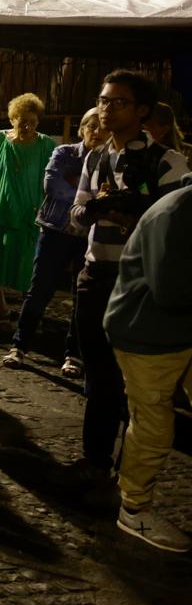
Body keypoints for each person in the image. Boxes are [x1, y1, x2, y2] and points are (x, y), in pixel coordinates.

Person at [69, 71, 189, 475]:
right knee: (98, 377)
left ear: (142, 111)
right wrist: (94, 210)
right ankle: (95, 461)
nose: (106, 109)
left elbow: (176, 235)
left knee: (138, 386)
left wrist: (135, 214)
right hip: (94, 275)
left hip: (138, 286)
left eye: (118, 102)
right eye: (103, 101)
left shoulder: (169, 164)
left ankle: (131, 470)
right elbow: (76, 214)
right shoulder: (94, 157)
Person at [106, 185, 192, 552]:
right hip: (148, 335)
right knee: (154, 428)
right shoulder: (174, 214)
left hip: (182, 329)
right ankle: (134, 509)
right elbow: (170, 291)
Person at [6, 109, 104, 373]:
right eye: (91, 126)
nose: (96, 132)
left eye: (100, 127)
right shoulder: (65, 153)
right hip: (55, 231)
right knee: (39, 290)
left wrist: (82, 194)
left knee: (81, 298)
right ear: (82, 128)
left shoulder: (108, 158)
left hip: (88, 237)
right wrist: (91, 199)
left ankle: (73, 355)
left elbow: (109, 197)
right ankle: (19, 346)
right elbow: (53, 186)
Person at [0, 94, 57, 323]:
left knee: (28, 266)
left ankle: (30, 316)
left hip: (28, 213)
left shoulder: (46, 145)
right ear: (12, 118)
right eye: (23, 120)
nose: (27, 126)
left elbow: (52, 180)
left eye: (33, 122)